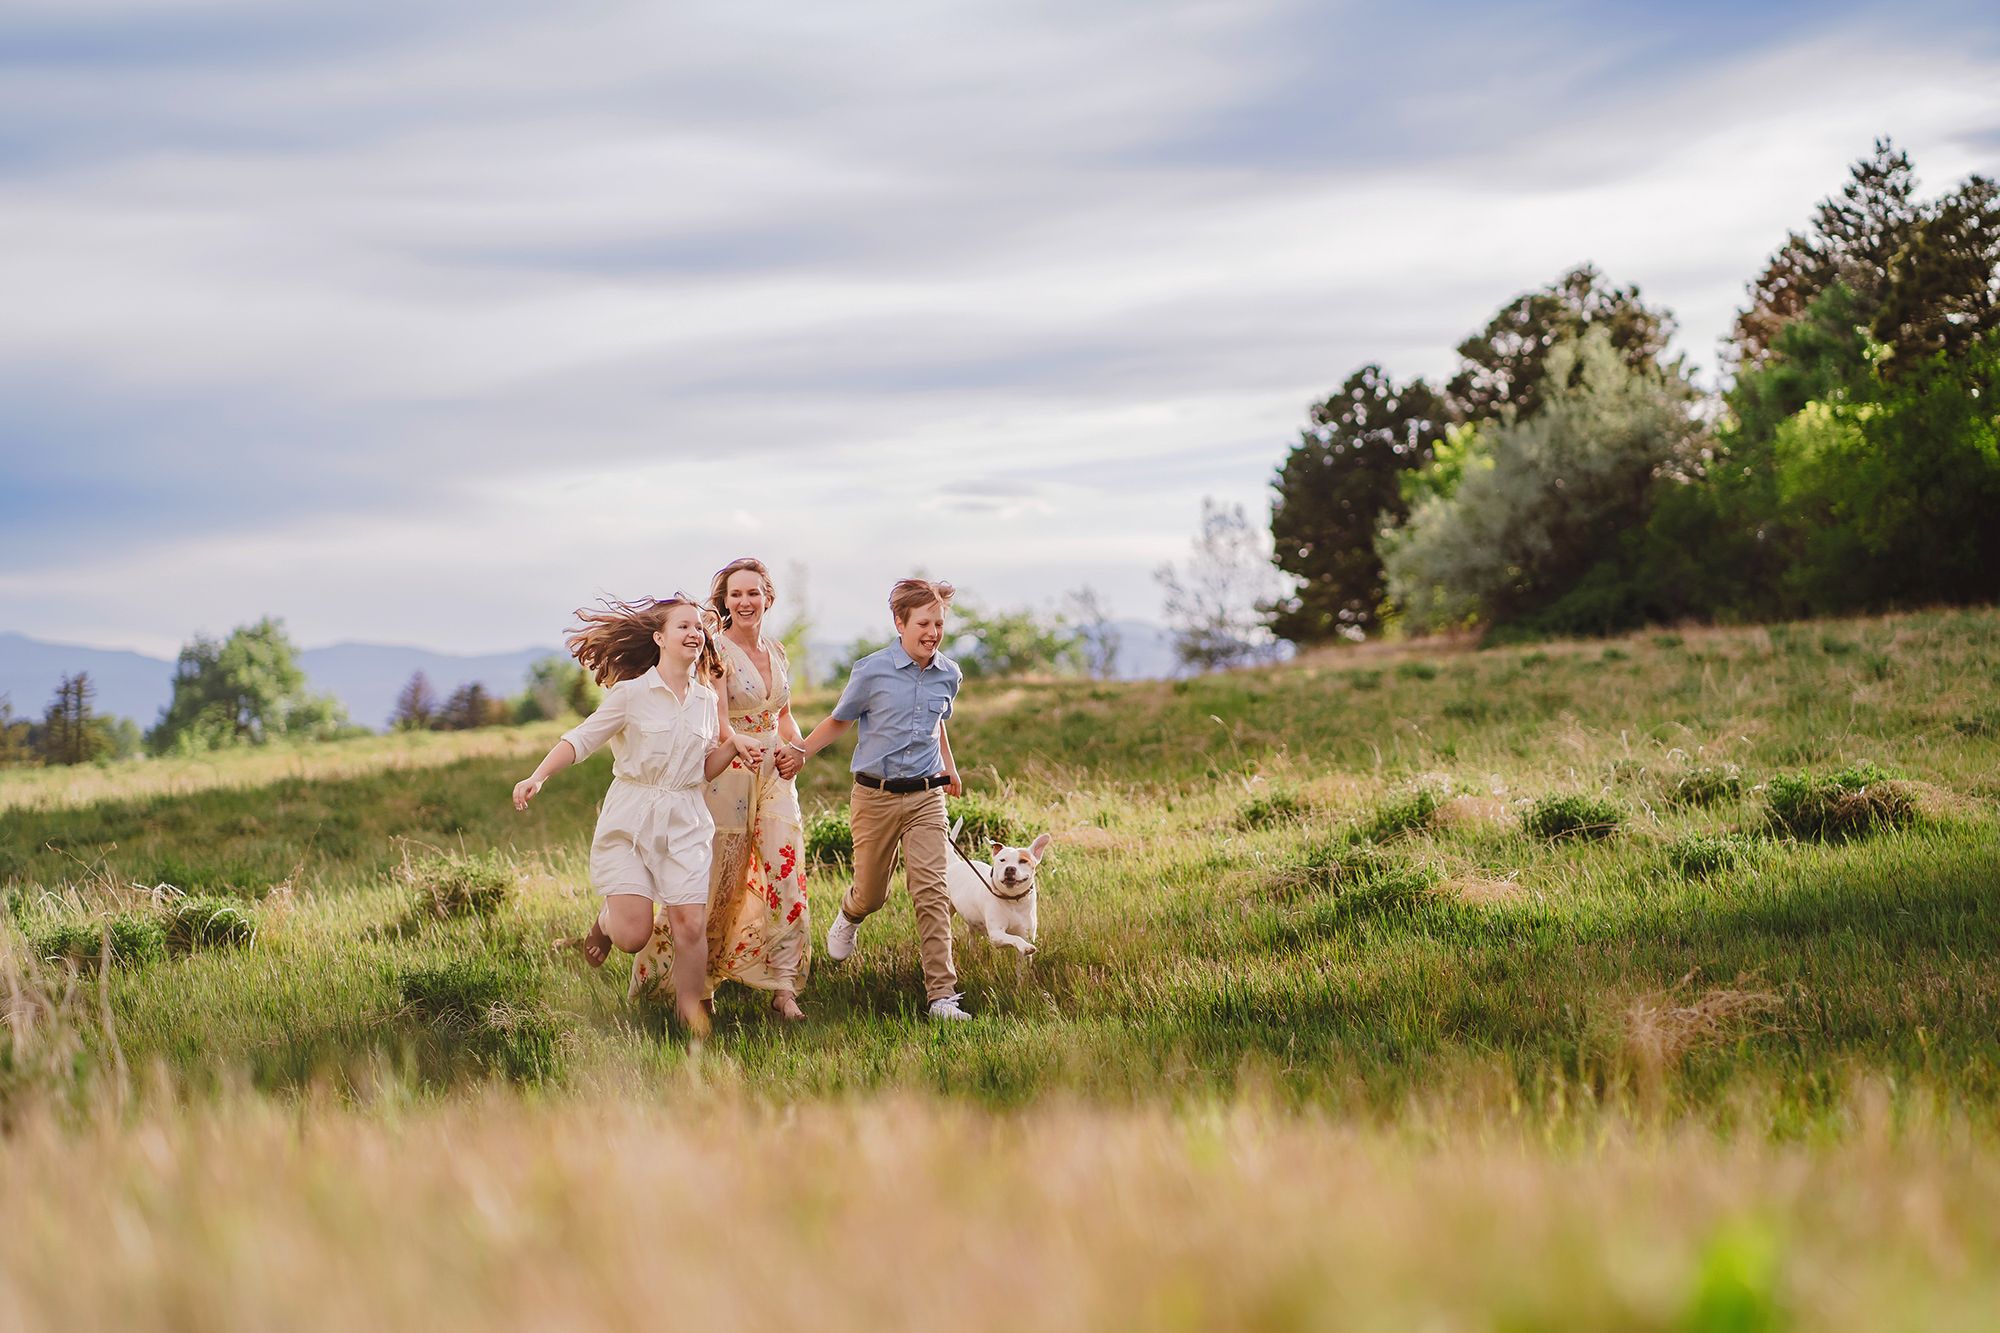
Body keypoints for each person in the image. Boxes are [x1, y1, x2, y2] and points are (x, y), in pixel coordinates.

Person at [512, 595, 764, 1035]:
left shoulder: (706, 700)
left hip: (686, 817)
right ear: (659, 638)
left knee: (689, 923)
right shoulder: (630, 694)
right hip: (631, 819)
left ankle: (690, 1015)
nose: (693, 633)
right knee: (633, 936)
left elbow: (701, 770)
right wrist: (538, 776)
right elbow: (581, 738)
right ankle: (606, 923)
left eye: (697, 628)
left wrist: (732, 746)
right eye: (682, 626)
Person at [630, 557, 811, 1022]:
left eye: (753, 593)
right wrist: (740, 745)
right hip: (729, 770)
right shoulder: (717, 653)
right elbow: (721, 724)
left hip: (775, 771)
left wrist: (800, 750)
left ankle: (783, 984)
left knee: (784, 870)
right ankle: (692, 979)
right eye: (736, 594)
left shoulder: (778, 651)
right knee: (718, 879)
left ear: (768, 598)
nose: (745, 602)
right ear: (725, 601)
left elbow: (785, 718)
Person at [787, 578, 970, 1022]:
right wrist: (799, 752)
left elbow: (935, 722)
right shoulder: (871, 670)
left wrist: (949, 766)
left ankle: (942, 997)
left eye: (939, 623)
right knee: (872, 894)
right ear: (900, 623)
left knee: (931, 892)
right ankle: (849, 915)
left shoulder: (950, 673)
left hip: (927, 796)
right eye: (923, 623)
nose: (932, 632)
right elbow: (840, 721)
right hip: (875, 796)